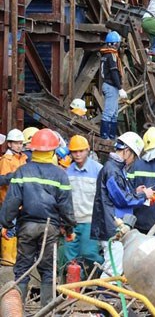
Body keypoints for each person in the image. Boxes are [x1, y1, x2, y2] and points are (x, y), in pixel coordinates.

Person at [0, 128, 76, 306]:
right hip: (51, 228)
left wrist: (5, 224)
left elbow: (11, 202)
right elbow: (66, 207)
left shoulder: (23, 172)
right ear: (53, 151)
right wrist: (69, 229)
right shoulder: (60, 175)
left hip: (26, 225)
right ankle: (46, 309)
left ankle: (18, 309)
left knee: (22, 269)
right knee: (48, 270)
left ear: (32, 149)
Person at [90, 131, 154, 278]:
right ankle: (104, 298)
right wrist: (144, 195)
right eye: (134, 156)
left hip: (113, 225)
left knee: (115, 266)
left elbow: (120, 193)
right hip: (113, 227)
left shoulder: (116, 169)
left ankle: (105, 297)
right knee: (114, 269)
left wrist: (136, 192)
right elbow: (122, 199)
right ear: (126, 151)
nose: (133, 161)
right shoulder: (112, 170)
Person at [64, 135, 103, 268]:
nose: (78, 154)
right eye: (75, 151)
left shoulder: (98, 170)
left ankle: (104, 273)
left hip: (90, 222)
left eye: (81, 151)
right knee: (69, 258)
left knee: (89, 253)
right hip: (72, 222)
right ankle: (74, 287)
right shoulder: (68, 172)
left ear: (88, 150)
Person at [100, 31, 128, 140]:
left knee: (114, 113)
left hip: (110, 85)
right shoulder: (111, 55)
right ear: (115, 44)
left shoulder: (105, 54)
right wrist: (120, 88)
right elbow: (114, 72)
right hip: (111, 86)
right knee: (109, 113)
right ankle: (105, 136)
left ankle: (111, 136)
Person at [0, 129, 27, 204]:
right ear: (9, 144)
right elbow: (3, 181)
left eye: (21, 143)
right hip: (9, 202)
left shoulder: (23, 158)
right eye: (16, 143)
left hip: (21, 201)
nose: (19, 146)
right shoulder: (6, 160)